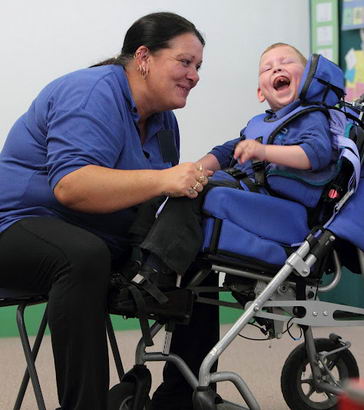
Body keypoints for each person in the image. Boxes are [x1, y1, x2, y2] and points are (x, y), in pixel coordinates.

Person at [0, 11, 215, 410]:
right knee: (81, 256)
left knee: (200, 256)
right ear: (144, 57)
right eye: (185, 62)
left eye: (198, 66)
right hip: (15, 228)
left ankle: (180, 399)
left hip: (95, 236)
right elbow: (72, 187)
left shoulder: (164, 121)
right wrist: (167, 179)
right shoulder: (92, 92)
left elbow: (148, 201)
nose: (195, 75)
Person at [113, 42, 337, 321]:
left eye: (287, 63)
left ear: (307, 81)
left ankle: (155, 279)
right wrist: (191, 170)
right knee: (166, 187)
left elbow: (316, 154)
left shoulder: (311, 115)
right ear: (260, 92)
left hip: (282, 209)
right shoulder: (259, 124)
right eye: (267, 67)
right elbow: (226, 152)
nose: (277, 68)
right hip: (251, 196)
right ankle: (132, 267)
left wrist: (263, 151)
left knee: (196, 193)